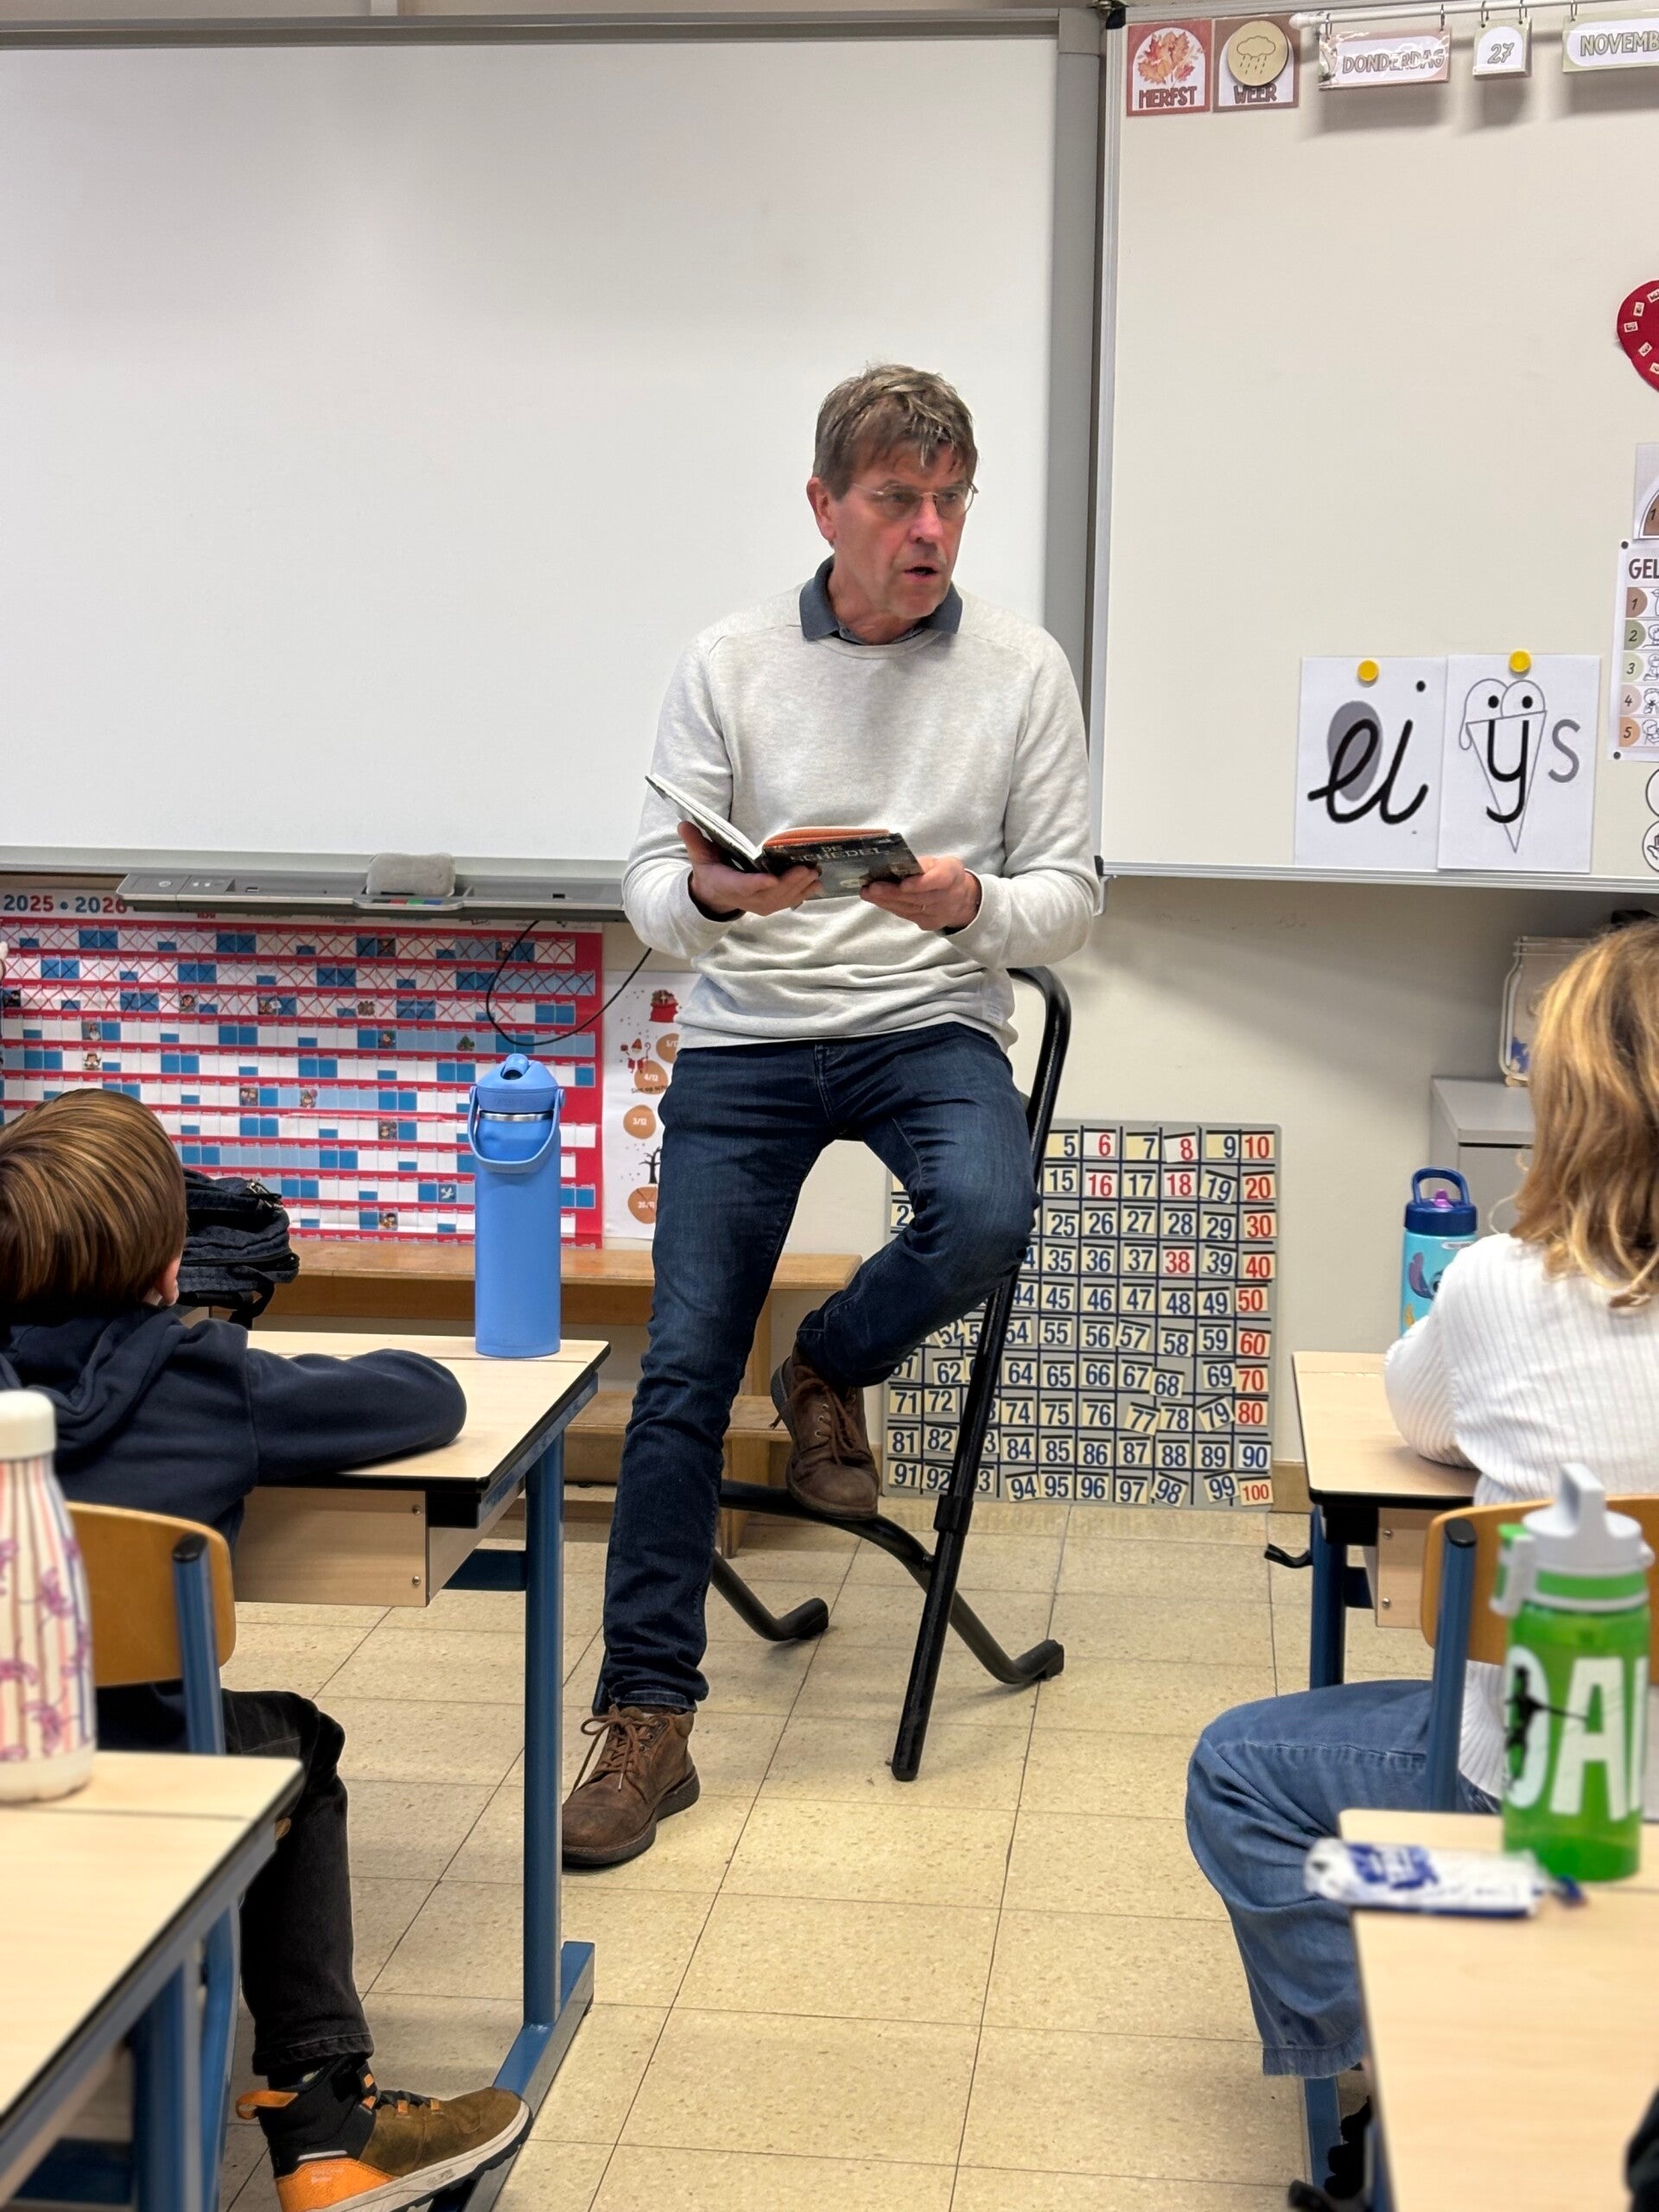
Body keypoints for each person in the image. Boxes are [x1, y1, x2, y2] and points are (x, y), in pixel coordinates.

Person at [563, 363, 1096, 1869]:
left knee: (987, 1213)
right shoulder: (729, 662)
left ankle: (830, 1363)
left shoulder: (1021, 668)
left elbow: (1071, 899)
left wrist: (969, 901)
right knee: (679, 1371)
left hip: (927, 1022)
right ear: (825, 507)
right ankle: (646, 1717)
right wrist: (721, 892)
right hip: (749, 1037)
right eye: (898, 500)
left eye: (952, 502)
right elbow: (651, 893)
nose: (931, 530)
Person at [1185, 922, 1659, 2200]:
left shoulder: (1501, 1284)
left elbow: (1417, 1415)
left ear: (1572, 1106)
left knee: (1238, 1767)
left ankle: (1414, 2058)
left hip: (1548, 1787)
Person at [0, 1089, 531, 2212]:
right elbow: (426, 1399)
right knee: (300, 1746)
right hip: (141, 1774)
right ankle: (326, 2118)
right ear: (170, 1264)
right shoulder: (210, 1380)